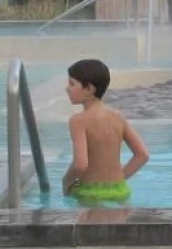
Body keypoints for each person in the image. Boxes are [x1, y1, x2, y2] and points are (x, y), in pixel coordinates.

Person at [63, 59, 149, 204]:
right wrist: (119, 179)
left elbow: (80, 164)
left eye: (72, 84)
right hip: (120, 190)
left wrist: (66, 181)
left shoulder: (78, 121)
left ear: (89, 89)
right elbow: (142, 155)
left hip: (90, 193)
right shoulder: (118, 117)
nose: (67, 89)